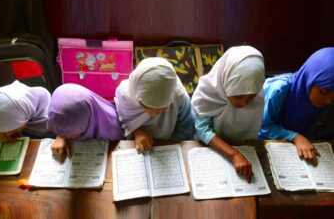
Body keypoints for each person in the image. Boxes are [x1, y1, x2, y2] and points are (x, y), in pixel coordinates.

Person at [192, 46, 265, 182]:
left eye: (251, 97)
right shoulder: (208, 92)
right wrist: (233, 154)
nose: (244, 103)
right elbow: (202, 130)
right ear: (224, 81)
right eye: (237, 96)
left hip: (245, 147)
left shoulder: (257, 92)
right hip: (209, 147)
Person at [259, 47, 334, 165]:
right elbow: (261, 127)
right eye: (323, 92)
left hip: (292, 150)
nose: (329, 101)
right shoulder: (280, 90)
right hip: (263, 147)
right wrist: (295, 137)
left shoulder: (324, 99)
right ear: (309, 79)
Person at [114, 57, 195, 152]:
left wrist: (168, 147)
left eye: (163, 108)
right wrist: (136, 132)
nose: (153, 114)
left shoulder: (179, 98)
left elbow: (185, 132)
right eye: (145, 106)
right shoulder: (125, 96)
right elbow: (125, 120)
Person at [48, 83, 125, 162]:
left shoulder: (113, 130)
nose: (64, 135)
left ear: (86, 120)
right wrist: (59, 137)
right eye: (59, 131)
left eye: (69, 134)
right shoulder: (75, 119)